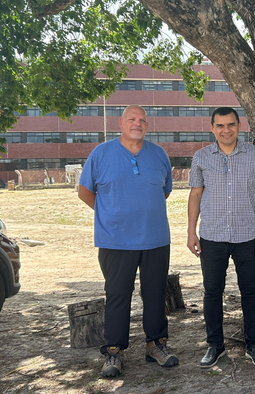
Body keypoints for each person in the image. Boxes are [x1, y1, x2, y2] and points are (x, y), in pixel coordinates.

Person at [78, 105, 179, 378]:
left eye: (142, 120)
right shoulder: (101, 154)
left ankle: (156, 345)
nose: (138, 123)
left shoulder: (159, 154)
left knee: (155, 293)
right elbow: (84, 191)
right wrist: (110, 213)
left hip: (155, 238)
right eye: (132, 119)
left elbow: (164, 191)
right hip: (115, 240)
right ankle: (114, 351)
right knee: (117, 295)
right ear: (120, 123)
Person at [187, 107, 255, 368]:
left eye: (231, 124)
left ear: (239, 125)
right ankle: (215, 345)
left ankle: (253, 345)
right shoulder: (201, 157)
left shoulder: (254, 155)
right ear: (212, 128)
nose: (226, 130)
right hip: (212, 236)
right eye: (220, 125)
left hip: (248, 235)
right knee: (212, 292)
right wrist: (191, 231)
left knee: (250, 291)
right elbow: (195, 195)